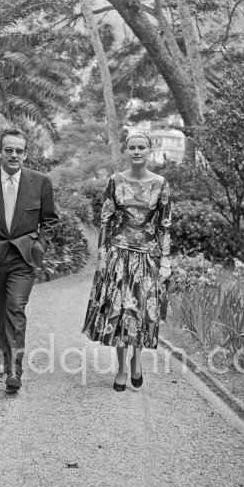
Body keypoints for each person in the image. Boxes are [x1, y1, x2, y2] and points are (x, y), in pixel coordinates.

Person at [0, 128, 58, 393]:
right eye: (9, 150)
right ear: (0, 152)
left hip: (24, 258)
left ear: (25, 154)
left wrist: (39, 246)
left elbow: (49, 220)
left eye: (19, 150)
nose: (14, 155)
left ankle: (13, 370)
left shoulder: (40, 182)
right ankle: (0, 352)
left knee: (15, 307)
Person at [82, 131, 171, 391]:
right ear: (126, 150)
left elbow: (165, 225)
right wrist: (101, 256)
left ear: (149, 150)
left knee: (141, 312)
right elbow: (106, 219)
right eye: (132, 147)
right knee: (119, 313)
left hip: (147, 257)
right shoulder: (115, 180)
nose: (136, 151)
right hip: (118, 255)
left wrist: (165, 261)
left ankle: (136, 361)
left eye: (141, 147)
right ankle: (121, 367)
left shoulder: (161, 183)